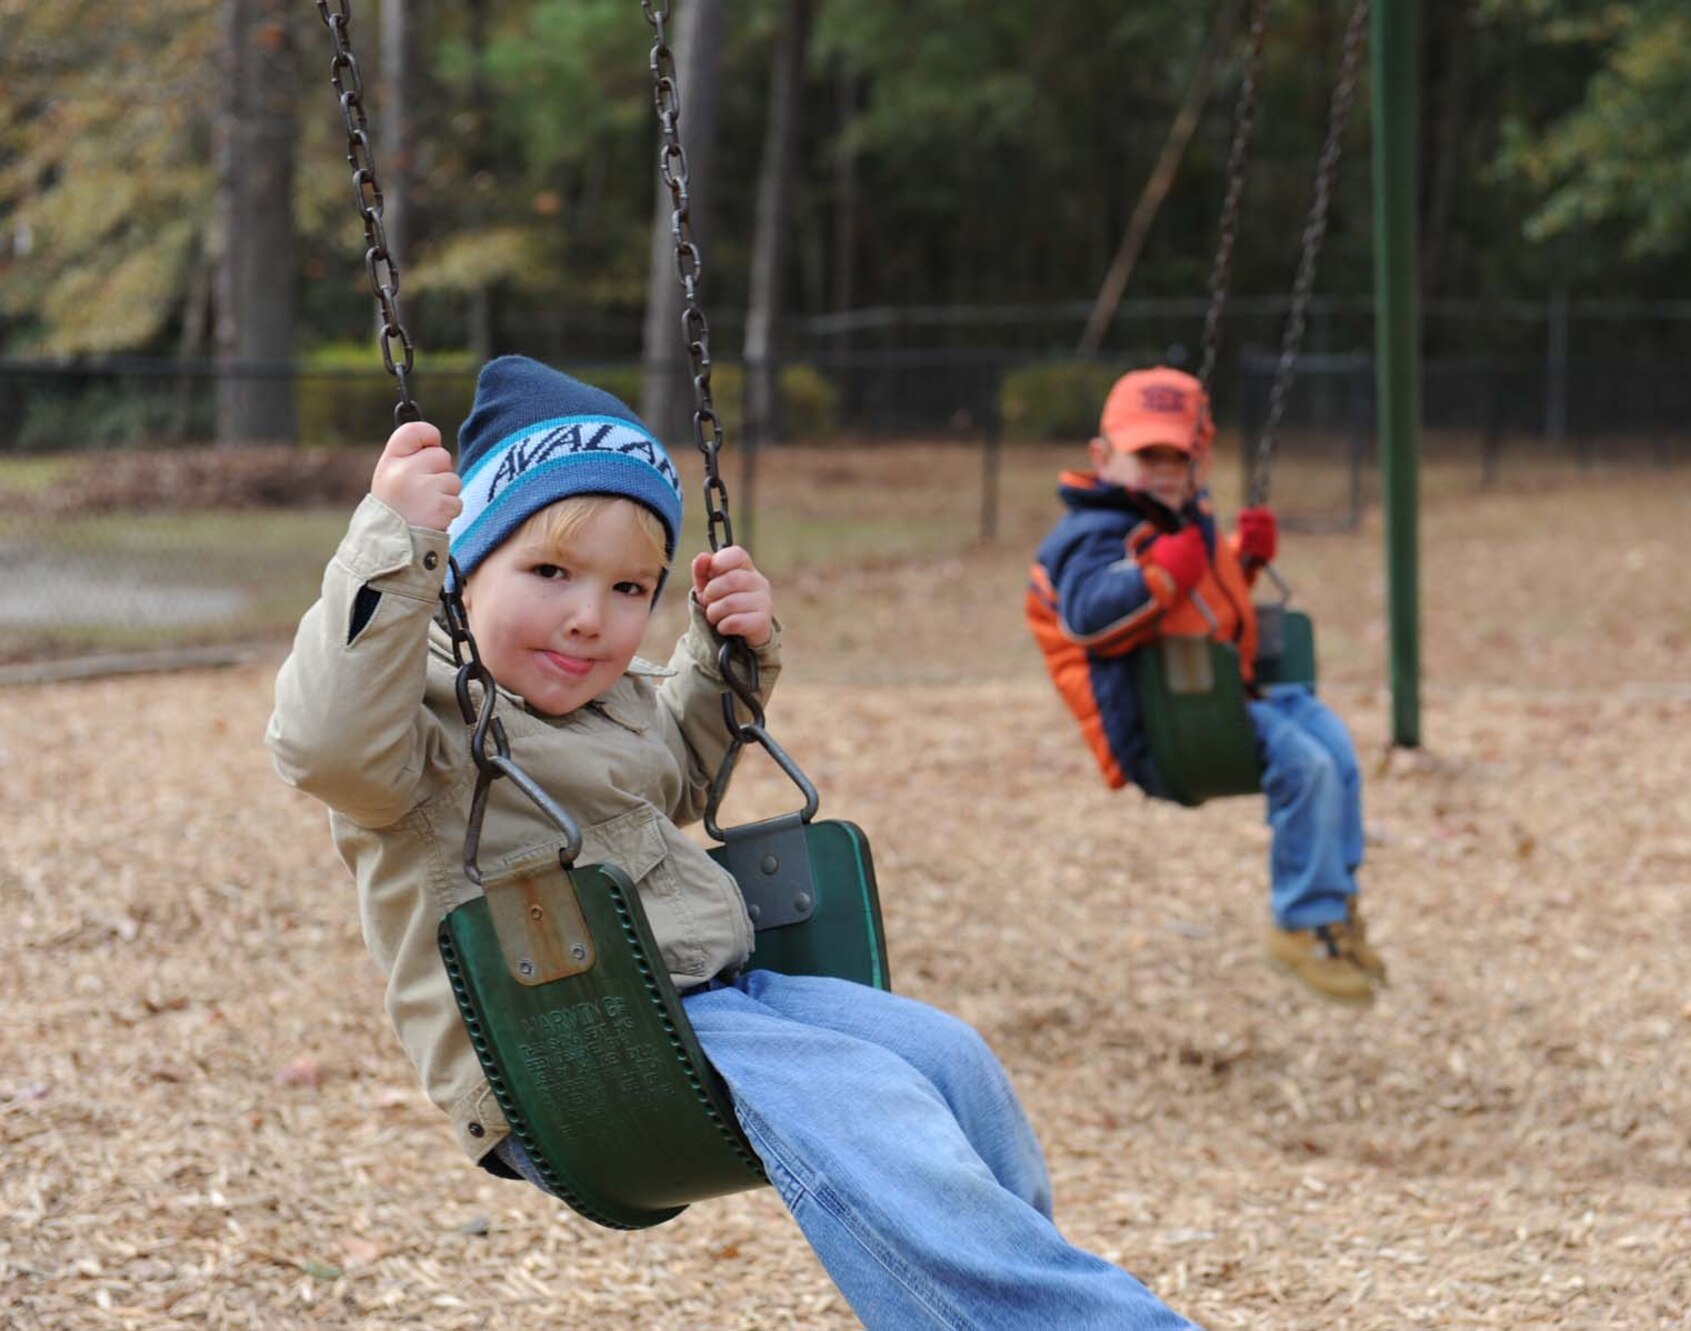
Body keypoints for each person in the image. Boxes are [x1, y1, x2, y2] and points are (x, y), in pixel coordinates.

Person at [267, 355, 1197, 1329]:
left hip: (713, 998)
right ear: (457, 569)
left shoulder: (605, 697)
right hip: (572, 1041)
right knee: (866, 1100)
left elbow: (672, 776)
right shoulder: (412, 714)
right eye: (549, 572)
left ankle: (995, 1302)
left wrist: (724, 655)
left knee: (945, 1056)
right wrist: (390, 543)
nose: (590, 617)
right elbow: (322, 746)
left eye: (631, 588)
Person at [1026, 366, 1386, 1005]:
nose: (1166, 470)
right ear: (1102, 459)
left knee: (1336, 749)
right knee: (1305, 766)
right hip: (1167, 727)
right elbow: (1087, 615)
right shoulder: (1093, 535)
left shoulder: (1184, 519)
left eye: (1180, 455)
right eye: (1148, 456)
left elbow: (1203, 609)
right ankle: (1299, 923)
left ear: (1203, 459)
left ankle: (1336, 903)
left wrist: (1241, 562)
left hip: (1223, 696)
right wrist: (1160, 576)